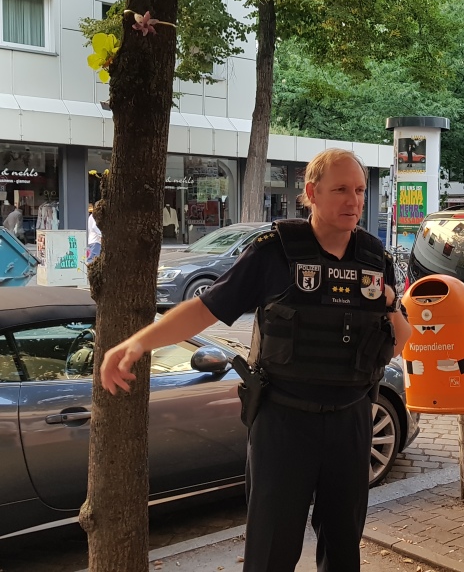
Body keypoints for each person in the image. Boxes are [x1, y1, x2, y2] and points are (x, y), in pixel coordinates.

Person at [100, 148, 412, 572]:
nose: (353, 201)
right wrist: (139, 343)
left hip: (352, 418)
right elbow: (206, 307)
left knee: (343, 547)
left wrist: (392, 303)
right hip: (284, 422)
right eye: (340, 190)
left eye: (359, 190)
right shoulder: (274, 252)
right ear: (312, 193)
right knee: (271, 551)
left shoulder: (375, 257)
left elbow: (400, 343)